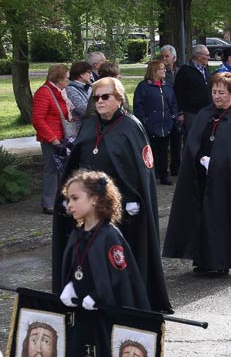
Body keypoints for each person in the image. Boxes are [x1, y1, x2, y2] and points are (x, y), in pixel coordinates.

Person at [52, 78, 172, 314]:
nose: (100, 102)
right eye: (96, 98)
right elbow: (77, 162)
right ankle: (85, 293)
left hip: (123, 208)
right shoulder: (89, 125)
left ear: (119, 99)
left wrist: (135, 198)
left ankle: (124, 301)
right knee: (87, 252)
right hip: (89, 206)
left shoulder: (131, 126)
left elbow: (141, 168)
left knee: (117, 257)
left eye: (105, 97)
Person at [164, 72, 231, 276]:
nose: (217, 96)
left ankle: (221, 261)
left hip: (227, 179)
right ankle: (202, 258)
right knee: (202, 216)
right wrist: (200, 158)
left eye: (221, 92)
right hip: (201, 174)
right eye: (214, 92)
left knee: (222, 218)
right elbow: (193, 141)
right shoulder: (205, 113)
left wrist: (219, 163)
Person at [58, 171, 150, 311]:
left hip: (105, 313)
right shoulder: (77, 235)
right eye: (68, 199)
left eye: (75, 198)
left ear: (94, 199)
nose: (69, 205)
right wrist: (71, 285)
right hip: (82, 310)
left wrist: (97, 295)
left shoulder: (109, 236)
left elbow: (119, 278)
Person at [33, 64, 72, 215]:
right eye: (67, 78)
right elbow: (38, 120)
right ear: (59, 78)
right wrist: (53, 139)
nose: (68, 81)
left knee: (62, 170)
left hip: (62, 137)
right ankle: (48, 204)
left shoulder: (60, 92)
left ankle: (61, 200)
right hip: (51, 138)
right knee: (52, 170)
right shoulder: (44, 93)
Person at [133, 60, 178, 186]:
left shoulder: (167, 86)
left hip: (165, 124)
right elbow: (138, 106)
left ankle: (164, 174)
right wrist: (144, 121)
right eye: (161, 69)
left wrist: (173, 115)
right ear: (154, 71)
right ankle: (150, 176)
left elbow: (173, 102)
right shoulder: (143, 87)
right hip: (151, 125)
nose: (164, 71)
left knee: (163, 151)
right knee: (150, 151)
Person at [174, 44, 211, 136]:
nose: (208, 57)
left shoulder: (206, 69)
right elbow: (178, 92)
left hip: (206, 111)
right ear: (199, 56)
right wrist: (180, 112)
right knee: (192, 137)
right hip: (191, 112)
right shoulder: (185, 71)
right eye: (206, 55)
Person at [159, 45, 182, 178]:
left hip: (177, 110)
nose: (164, 59)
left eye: (166, 56)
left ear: (174, 57)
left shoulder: (179, 71)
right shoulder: (159, 73)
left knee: (177, 140)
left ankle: (176, 167)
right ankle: (162, 170)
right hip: (164, 111)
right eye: (162, 56)